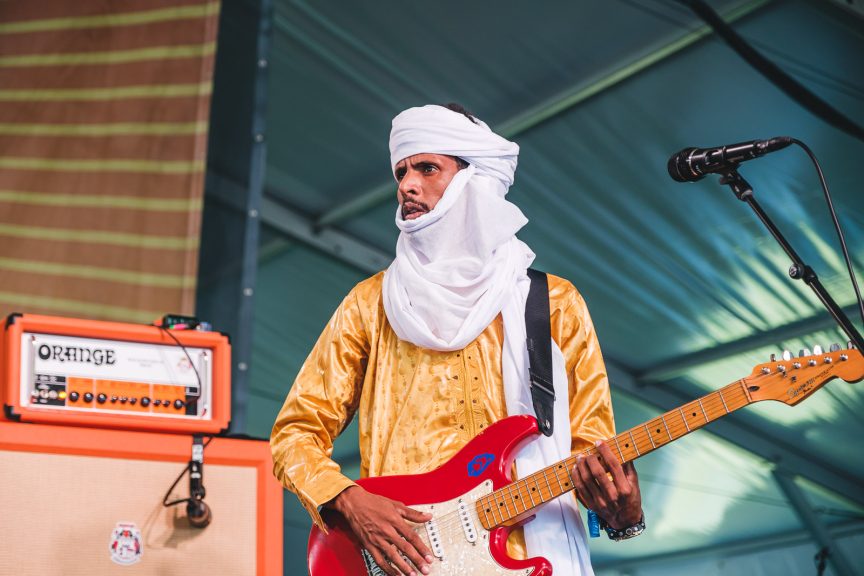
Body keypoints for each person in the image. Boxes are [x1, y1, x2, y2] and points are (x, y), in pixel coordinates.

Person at [270, 103, 644, 576]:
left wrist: (621, 516)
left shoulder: (553, 303)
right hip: (408, 560)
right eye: (402, 171)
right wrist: (348, 499)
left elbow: (591, 455)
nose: (407, 184)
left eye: (427, 168)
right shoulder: (370, 304)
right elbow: (294, 434)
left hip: (532, 559)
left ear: (476, 180)